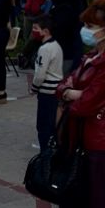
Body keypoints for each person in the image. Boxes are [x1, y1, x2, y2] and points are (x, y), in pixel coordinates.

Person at [57, 0, 105, 208]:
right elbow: (66, 85)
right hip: (86, 141)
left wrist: (73, 93)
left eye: (92, 26)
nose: (86, 31)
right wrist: (71, 91)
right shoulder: (92, 56)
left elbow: (87, 101)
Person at [29, 14, 63, 150]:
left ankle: (46, 153)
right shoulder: (56, 45)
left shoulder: (45, 49)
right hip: (55, 90)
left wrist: (34, 88)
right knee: (52, 122)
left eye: (36, 28)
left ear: (46, 31)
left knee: (43, 125)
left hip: (47, 91)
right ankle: (52, 148)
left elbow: (40, 74)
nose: (34, 31)